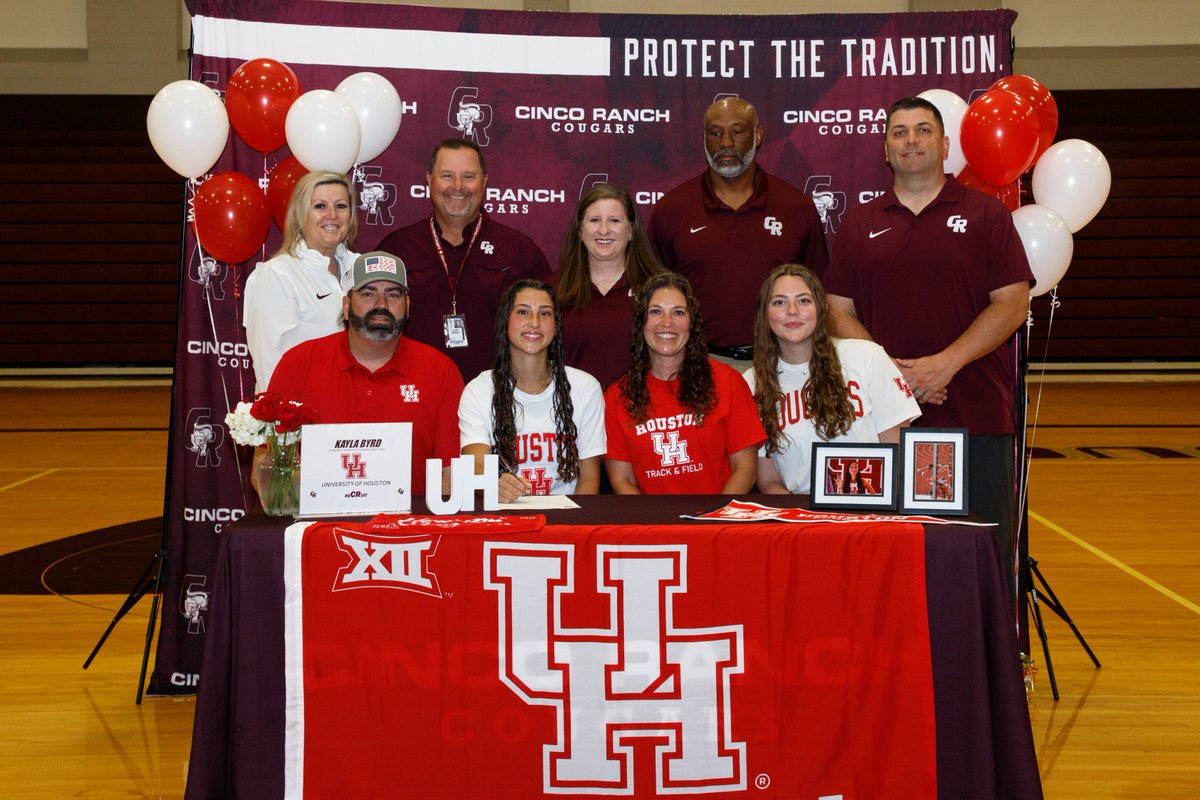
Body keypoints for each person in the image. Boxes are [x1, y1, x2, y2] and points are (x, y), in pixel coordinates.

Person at [823, 96, 1034, 595]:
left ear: (944, 145)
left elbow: (1012, 304)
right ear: (885, 149)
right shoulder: (858, 222)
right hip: (882, 427)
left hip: (975, 417)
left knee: (983, 555)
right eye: (899, 132)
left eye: (922, 130)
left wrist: (945, 364)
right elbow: (835, 310)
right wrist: (896, 379)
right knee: (887, 563)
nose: (910, 140)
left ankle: (992, 669)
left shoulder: (985, 215)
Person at [647, 96, 829, 370]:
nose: (726, 143)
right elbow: (653, 298)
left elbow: (819, 295)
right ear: (704, 138)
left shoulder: (796, 208)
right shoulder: (672, 210)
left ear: (757, 135)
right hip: (699, 366)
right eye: (716, 132)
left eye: (737, 131)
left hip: (781, 364)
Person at [264, 251, 464, 495]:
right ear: (347, 307)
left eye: (393, 294)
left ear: (407, 306)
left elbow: (450, 473)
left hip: (409, 529)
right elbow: (267, 466)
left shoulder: (440, 371)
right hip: (319, 525)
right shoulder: (297, 365)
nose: (381, 304)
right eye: (368, 294)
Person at [376, 138, 550, 381]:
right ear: (429, 179)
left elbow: (549, 327)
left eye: (468, 176)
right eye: (447, 175)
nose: (457, 186)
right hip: (415, 394)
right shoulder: (396, 249)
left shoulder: (518, 250)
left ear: (485, 181)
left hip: (499, 395)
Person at [745, 264, 919, 494]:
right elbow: (768, 481)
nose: (792, 310)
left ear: (821, 308)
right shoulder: (751, 382)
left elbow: (899, 451)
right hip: (800, 514)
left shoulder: (867, 357)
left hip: (870, 504)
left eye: (804, 300)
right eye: (779, 302)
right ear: (764, 314)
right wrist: (803, 521)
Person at [603, 273, 765, 494]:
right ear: (641, 322)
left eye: (678, 313)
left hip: (718, 522)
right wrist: (660, 527)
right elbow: (622, 482)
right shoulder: (616, 397)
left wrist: (711, 521)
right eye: (655, 312)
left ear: (692, 323)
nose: (667, 323)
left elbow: (745, 470)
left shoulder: (728, 382)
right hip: (654, 525)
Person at [458, 280, 606, 503]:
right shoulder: (478, 390)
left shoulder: (585, 388)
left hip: (566, 523)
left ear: (555, 326)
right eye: (523, 312)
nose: (534, 322)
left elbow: (589, 477)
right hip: (504, 520)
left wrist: (572, 528)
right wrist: (492, 484)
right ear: (505, 321)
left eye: (545, 314)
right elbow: (475, 463)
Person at [244, 171, 359, 392]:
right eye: (320, 206)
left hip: (354, 411)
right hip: (302, 416)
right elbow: (271, 366)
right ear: (299, 214)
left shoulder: (362, 268)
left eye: (341, 206)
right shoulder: (277, 275)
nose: (332, 215)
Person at [552, 183, 666, 389]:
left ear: (631, 230)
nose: (604, 230)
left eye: (614, 220)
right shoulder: (552, 290)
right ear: (580, 230)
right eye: (594, 220)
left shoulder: (659, 289)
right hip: (573, 413)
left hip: (642, 414)